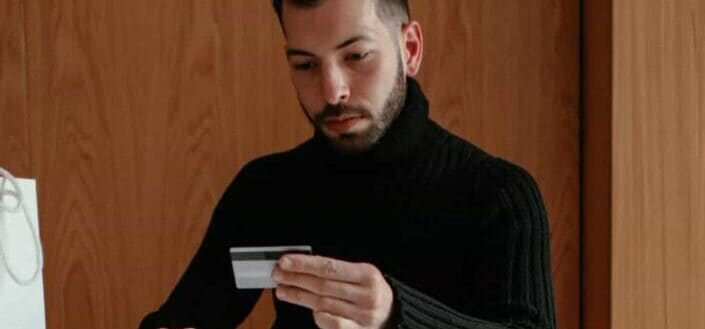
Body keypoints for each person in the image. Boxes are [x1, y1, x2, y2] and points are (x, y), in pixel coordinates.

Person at [140, 0, 556, 328]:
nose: (332, 89)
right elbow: (189, 315)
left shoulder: (498, 196)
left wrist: (396, 315)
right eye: (305, 64)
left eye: (356, 55)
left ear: (409, 49)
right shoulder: (265, 190)